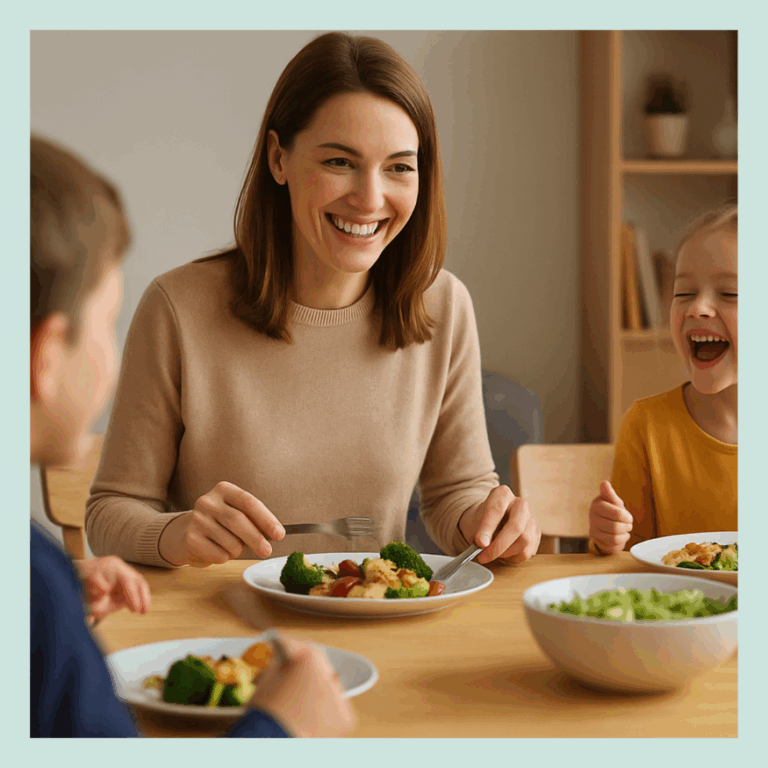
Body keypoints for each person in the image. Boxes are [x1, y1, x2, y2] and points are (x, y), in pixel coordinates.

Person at [85, 32, 541, 569]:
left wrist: (488, 523)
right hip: (230, 634)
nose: (370, 199)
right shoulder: (177, 307)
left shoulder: (444, 304)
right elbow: (111, 512)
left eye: (398, 167)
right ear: (279, 159)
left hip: (373, 619)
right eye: (340, 162)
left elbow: (454, 494)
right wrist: (175, 534)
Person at [30, 135, 355, 737]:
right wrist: (279, 730)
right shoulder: (32, 584)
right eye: (106, 323)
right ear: (46, 356)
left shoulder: (36, 584)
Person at [588, 203, 737, 555]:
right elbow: (628, 559)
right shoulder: (647, 425)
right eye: (683, 293)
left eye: (730, 293)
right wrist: (607, 538)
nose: (697, 307)